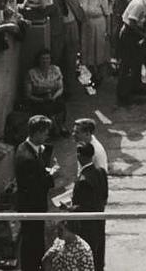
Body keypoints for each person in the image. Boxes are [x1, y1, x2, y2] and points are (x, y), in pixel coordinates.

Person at [14, 115, 58, 271]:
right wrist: (51, 175)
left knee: (35, 242)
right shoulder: (27, 158)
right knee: (32, 245)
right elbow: (36, 186)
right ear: (37, 132)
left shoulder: (25, 147)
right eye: (45, 132)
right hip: (31, 207)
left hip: (31, 205)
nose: (47, 135)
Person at [69, 142, 108, 271]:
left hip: (86, 226)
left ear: (79, 156)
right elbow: (104, 195)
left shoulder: (83, 180)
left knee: (88, 255)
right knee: (98, 255)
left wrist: (69, 208)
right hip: (99, 220)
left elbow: (84, 207)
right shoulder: (101, 172)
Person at [23, 49, 66, 134]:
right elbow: (28, 94)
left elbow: (60, 88)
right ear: (38, 60)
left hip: (53, 96)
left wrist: (54, 97)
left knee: (61, 104)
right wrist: (41, 100)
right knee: (46, 107)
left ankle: (60, 125)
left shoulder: (56, 69)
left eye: (47, 58)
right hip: (38, 98)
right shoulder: (31, 73)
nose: (45, 61)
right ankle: (53, 127)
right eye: (42, 58)